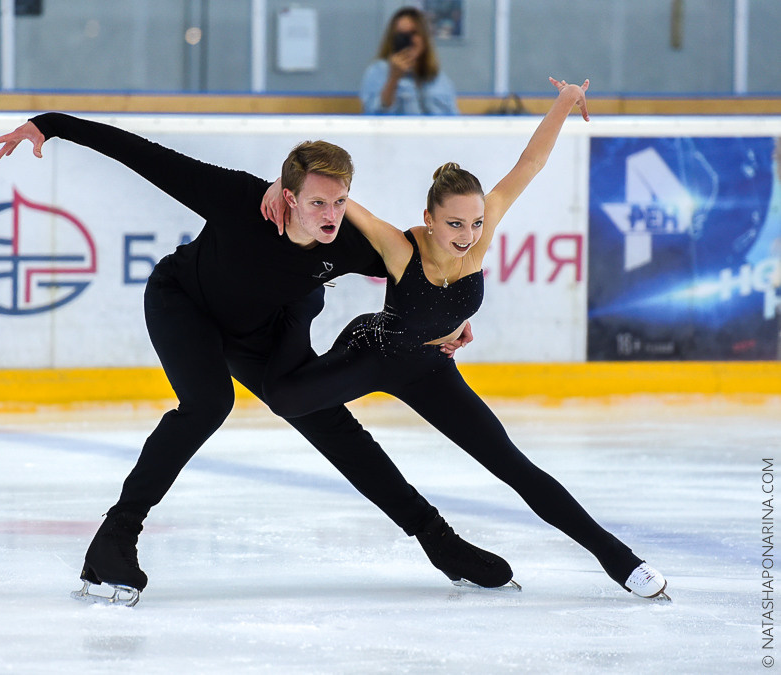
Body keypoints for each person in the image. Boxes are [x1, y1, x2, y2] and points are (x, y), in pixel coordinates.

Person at [0, 114, 517, 606]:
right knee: (208, 402)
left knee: (328, 420)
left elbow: (424, 276)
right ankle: (115, 537)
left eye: (339, 202)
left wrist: (450, 321)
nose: (330, 216)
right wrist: (51, 125)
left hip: (261, 333)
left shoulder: (348, 243)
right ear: (287, 196)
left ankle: (439, 540)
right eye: (317, 203)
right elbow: (145, 155)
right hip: (184, 302)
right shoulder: (238, 198)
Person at [260, 78, 670, 600]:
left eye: (475, 222)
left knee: (513, 465)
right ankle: (295, 311)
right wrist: (277, 184)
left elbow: (530, 164)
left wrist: (565, 101)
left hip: (430, 367)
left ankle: (621, 561)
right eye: (454, 223)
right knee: (285, 398)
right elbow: (326, 197)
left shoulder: (479, 236)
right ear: (428, 220)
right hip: (374, 351)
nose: (468, 235)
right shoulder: (399, 247)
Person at [360, 6, 459, 115]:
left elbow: (452, 118)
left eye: (413, 33)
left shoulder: (438, 78)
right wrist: (393, 79)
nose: (408, 40)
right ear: (392, 39)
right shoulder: (378, 71)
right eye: (401, 35)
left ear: (424, 38)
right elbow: (372, 116)